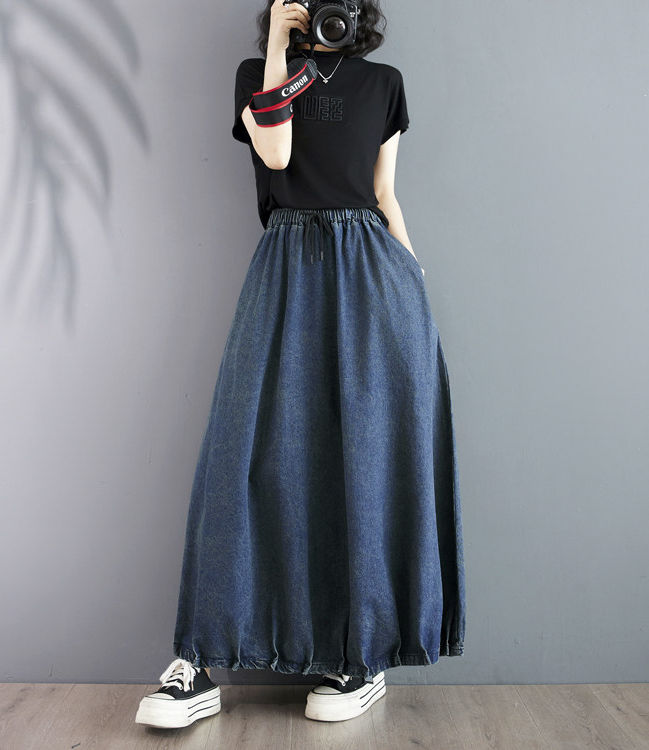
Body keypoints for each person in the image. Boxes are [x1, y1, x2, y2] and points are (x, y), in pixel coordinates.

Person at [136, 0, 465, 729]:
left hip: (372, 276)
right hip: (286, 264)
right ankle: (199, 662)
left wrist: (413, 283)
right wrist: (281, 52)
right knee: (242, 456)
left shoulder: (384, 83)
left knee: (366, 462)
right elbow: (278, 157)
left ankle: (362, 656)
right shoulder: (257, 75)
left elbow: (384, 196)